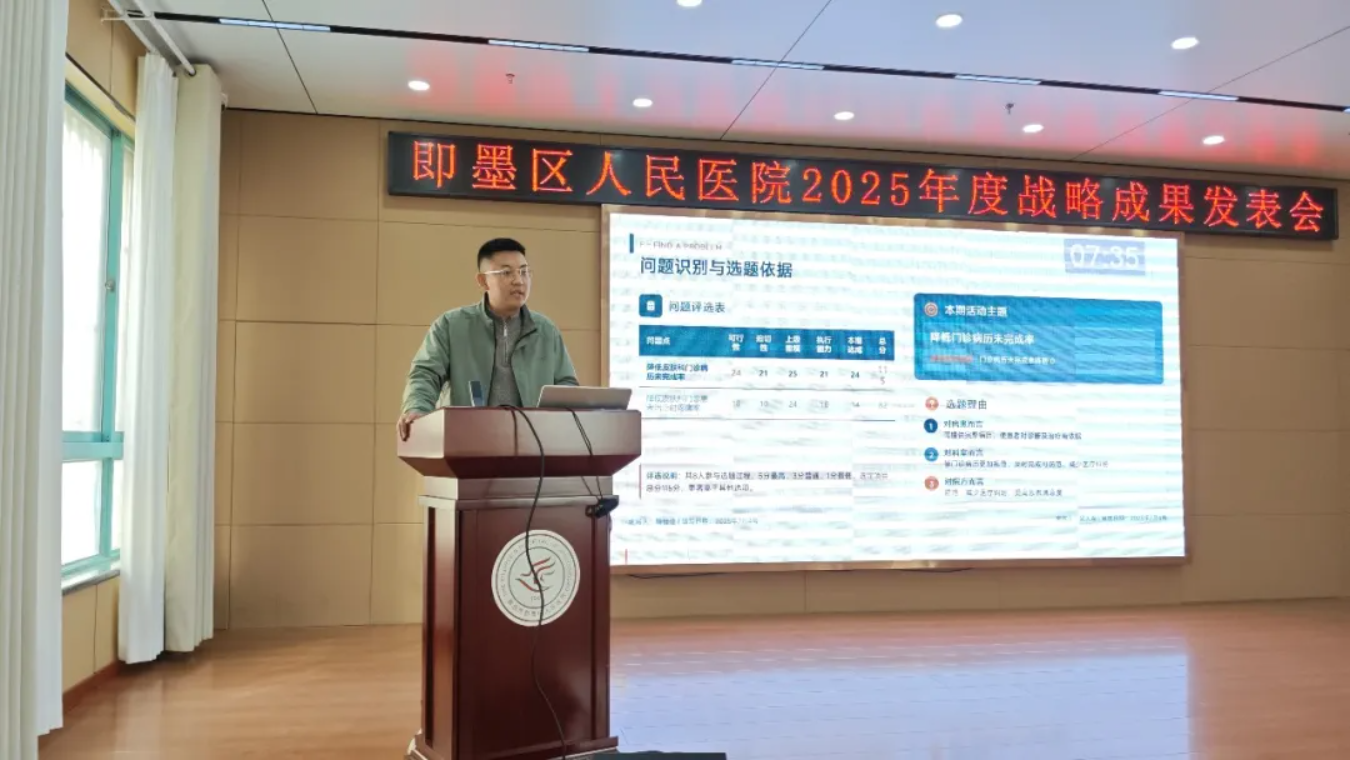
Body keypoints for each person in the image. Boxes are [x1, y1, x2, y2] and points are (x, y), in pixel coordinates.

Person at [397, 237, 578, 440]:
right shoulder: (452, 325)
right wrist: (416, 408)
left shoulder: (546, 330)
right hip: (468, 440)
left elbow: (566, 384)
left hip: (532, 443)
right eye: (506, 273)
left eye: (524, 272)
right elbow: (425, 374)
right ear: (483, 281)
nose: (519, 280)